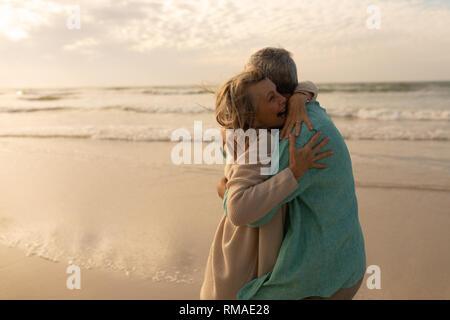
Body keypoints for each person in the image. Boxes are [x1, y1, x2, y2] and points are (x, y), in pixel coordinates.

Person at [221, 47, 366, 300]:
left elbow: (249, 214)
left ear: (275, 90)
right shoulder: (311, 110)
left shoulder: (295, 133)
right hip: (347, 256)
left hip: (320, 275)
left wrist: (223, 191)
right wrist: (303, 94)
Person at [200, 68, 332, 300]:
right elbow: (237, 209)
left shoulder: (253, 133)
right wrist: (293, 173)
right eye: (272, 98)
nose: (284, 99)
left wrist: (300, 97)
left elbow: (309, 85)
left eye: (279, 92)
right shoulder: (259, 146)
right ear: (250, 116)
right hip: (241, 264)